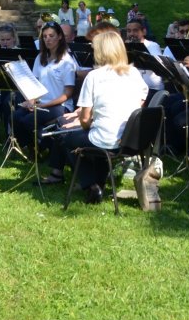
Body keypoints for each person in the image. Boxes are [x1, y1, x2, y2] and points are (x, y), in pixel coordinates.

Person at [43, 32, 148, 202]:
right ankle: (99, 183)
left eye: (94, 49)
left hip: (106, 138)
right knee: (94, 138)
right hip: (131, 140)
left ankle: (90, 185)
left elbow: (85, 119)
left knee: (65, 137)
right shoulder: (135, 73)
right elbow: (141, 102)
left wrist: (82, 126)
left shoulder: (94, 76)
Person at [13, 21, 78, 151]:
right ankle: (32, 147)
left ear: (60, 36)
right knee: (16, 116)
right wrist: (31, 100)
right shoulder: (40, 57)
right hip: (41, 103)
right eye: (45, 36)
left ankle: (47, 145)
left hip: (60, 106)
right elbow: (34, 84)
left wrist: (42, 105)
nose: (47, 39)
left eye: (51, 35)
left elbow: (68, 94)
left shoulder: (67, 62)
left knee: (28, 121)